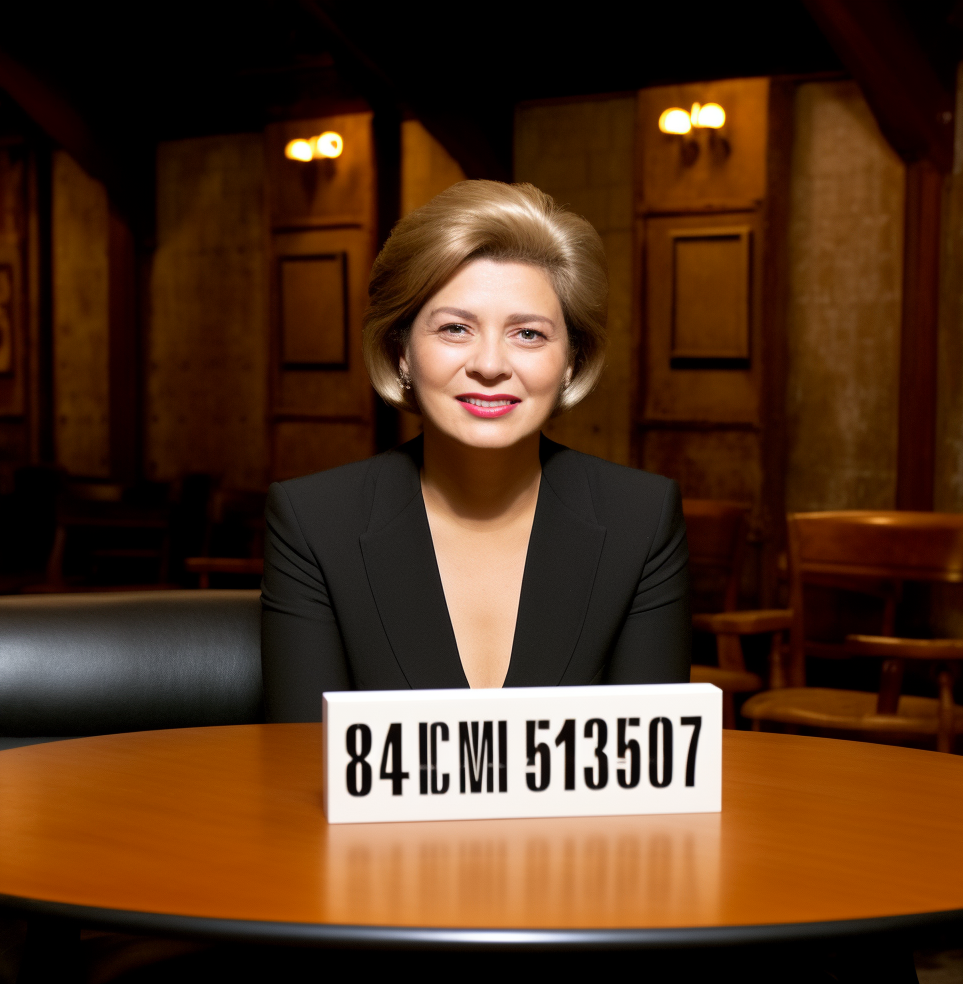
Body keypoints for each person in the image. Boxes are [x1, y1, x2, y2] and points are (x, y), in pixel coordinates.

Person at [261, 180, 691, 721]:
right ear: (401, 353)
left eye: (529, 334)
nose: (490, 364)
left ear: (572, 363)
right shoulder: (313, 523)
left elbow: (649, 773)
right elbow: (302, 763)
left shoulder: (642, 519)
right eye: (456, 328)